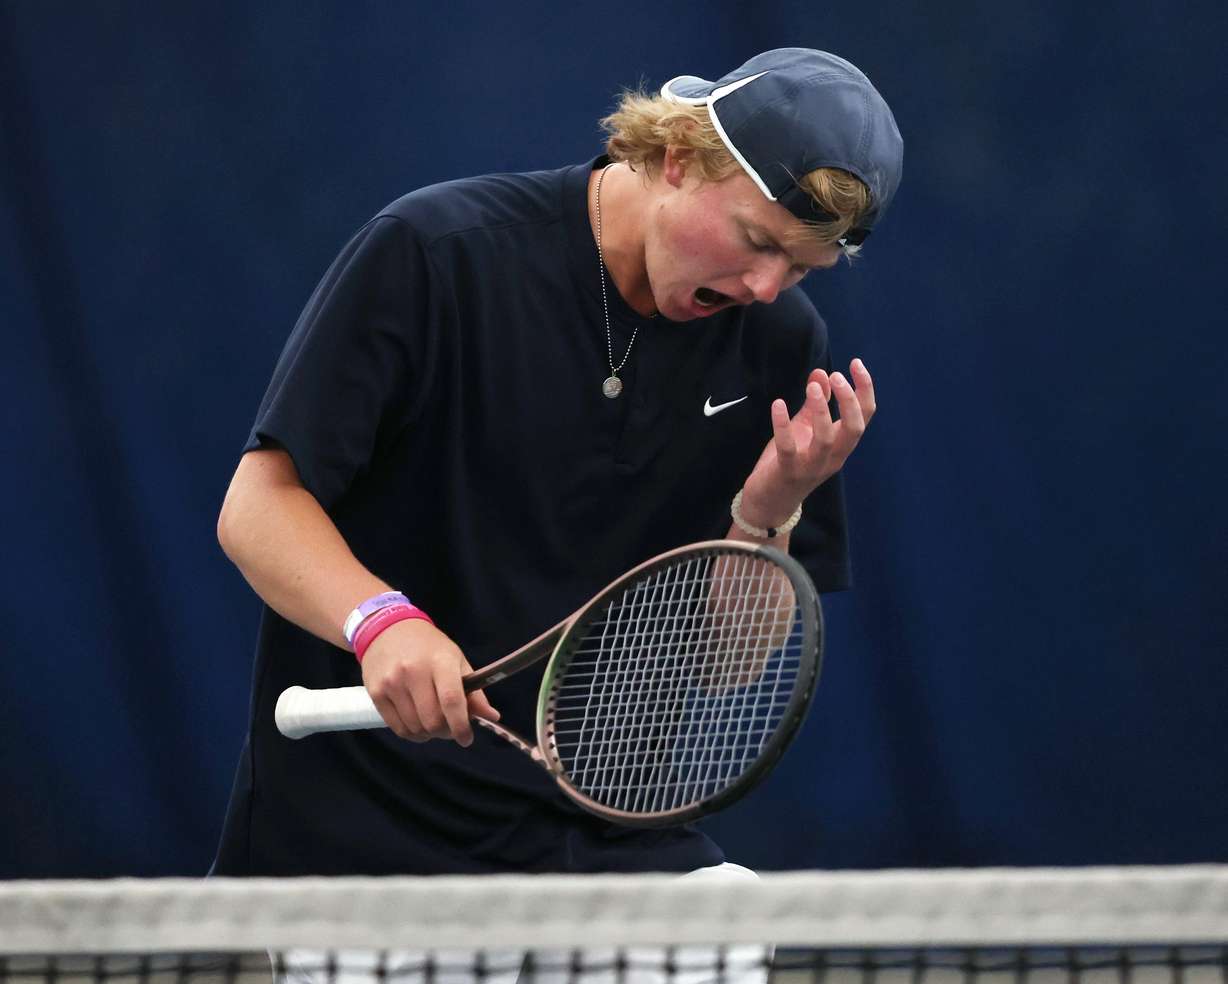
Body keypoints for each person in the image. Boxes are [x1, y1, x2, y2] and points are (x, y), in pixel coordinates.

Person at [212, 47, 903, 881]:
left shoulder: (781, 345)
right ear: (678, 159)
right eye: (756, 240)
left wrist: (771, 509)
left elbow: (730, 667)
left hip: (610, 843)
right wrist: (382, 622)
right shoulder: (436, 253)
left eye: (800, 265)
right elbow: (256, 507)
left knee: (739, 933)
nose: (766, 284)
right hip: (358, 846)